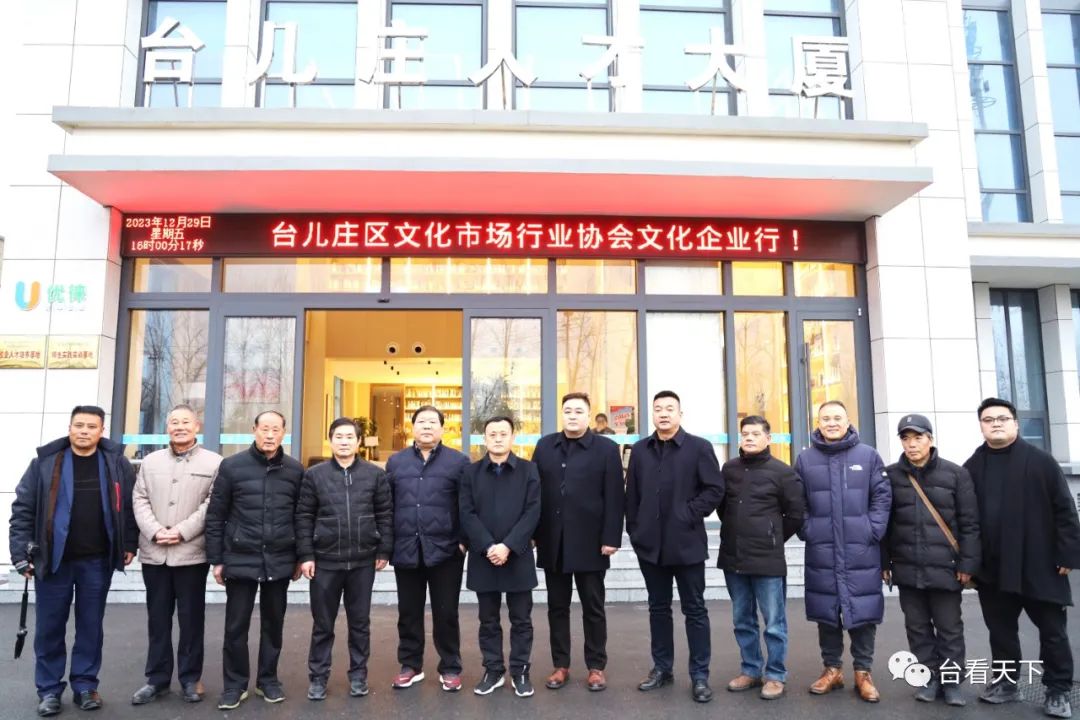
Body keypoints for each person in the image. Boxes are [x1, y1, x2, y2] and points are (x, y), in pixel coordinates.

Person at [9, 405, 138, 717]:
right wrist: (20, 554)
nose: (84, 431)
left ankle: (85, 685)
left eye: (91, 426)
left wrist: (129, 543)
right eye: (79, 425)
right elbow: (23, 509)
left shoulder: (115, 463)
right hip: (54, 561)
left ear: (101, 431)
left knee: (91, 627)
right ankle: (49, 690)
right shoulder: (45, 463)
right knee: (49, 628)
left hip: (97, 561)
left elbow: (129, 508)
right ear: (69, 428)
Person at [963, 398, 1080, 718]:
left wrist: (1067, 554)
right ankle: (1006, 683)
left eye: (1002, 418)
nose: (996, 424)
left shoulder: (1041, 462)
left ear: (1015, 423)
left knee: (1052, 632)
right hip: (994, 568)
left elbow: (1065, 510)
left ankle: (1058, 691)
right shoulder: (972, 466)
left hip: (1041, 564)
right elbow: (965, 520)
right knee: (1001, 631)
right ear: (981, 426)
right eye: (988, 420)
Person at [625, 390, 725, 703]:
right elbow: (632, 494)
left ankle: (700, 675)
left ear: (680, 414)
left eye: (670, 408)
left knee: (694, 610)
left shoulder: (699, 448)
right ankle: (662, 668)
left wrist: (687, 514)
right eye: (658, 409)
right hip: (650, 546)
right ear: (652, 414)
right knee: (658, 608)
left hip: (686, 543)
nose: (664, 413)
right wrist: (635, 530)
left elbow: (714, 489)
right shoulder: (640, 450)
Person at [205, 410, 304, 710]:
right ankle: (234, 685)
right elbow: (216, 515)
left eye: (276, 429)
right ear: (254, 430)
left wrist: (300, 556)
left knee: (274, 624)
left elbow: (301, 517)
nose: (270, 435)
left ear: (284, 433)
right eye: (264, 429)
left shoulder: (295, 470)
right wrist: (217, 559)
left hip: (280, 557)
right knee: (236, 626)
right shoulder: (232, 466)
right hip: (240, 556)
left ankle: (268, 680)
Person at [796, 400, 890, 703]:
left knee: (863, 611)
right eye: (826, 418)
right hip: (822, 548)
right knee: (827, 613)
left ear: (848, 421)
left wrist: (872, 529)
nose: (832, 423)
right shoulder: (805, 459)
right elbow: (798, 501)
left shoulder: (868, 456)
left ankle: (863, 673)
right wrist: (808, 529)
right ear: (818, 423)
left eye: (837, 417)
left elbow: (882, 496)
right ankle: (832, 670)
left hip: (860, 549)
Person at [882, 413, 979, 707]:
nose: (912, 444)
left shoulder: (956, 474)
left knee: (950, 629)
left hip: (946, 568)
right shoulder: (890, 475)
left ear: (930, 439)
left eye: (918, 438)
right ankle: (928, 677)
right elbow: (884, 524)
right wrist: (884, 563)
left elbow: (970, 523)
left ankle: (952, 682)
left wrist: (967, 564)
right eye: (906, 438)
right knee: (917, 628)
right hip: (907, 566)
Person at [296, 417, 393, 701]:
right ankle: (318, 677)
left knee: (360, 624)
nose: (344, 441)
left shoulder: (375, 475)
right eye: (338, 436)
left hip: (363, 561)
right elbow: (304, 516)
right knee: (322, 624)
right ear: (330, 440)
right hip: (325, 561)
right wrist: (306, 554)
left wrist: (383, 550)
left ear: (359, 441)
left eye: (350, 436)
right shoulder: (314, 475)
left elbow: (385, 514)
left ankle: (359, 675)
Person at [532, 392, 624, 692]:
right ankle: (561, 665)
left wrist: (611, 537)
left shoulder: (606, 449)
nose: (572, 416)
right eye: (568, 411)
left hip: (591, 541)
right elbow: (534, 492)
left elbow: (615, 496)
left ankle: (596, 666)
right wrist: (533, 532)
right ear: (562, 414)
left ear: (588, 415)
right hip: (553, 540)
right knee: (556, 607)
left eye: (578, 411)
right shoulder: (545, 446)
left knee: (593, 607)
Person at [131, 404, 222, 706]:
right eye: (174, 422)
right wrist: (154, 530)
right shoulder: (150, 461)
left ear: (197, 426)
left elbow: (212, 504)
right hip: (155, 552)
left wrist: (182, 531)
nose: (179, 427)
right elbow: (139, 499)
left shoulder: (214, 462)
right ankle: (156, 679)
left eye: (185, 422)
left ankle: (190, 678)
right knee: (157, 619)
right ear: (167, 427)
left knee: (191, 619)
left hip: (191, 553)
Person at [717, 415, 804, 701]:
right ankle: (751, 669)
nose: (750, 438)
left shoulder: (783, 472)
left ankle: (776, 675)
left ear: (769, 438)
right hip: (734, 556)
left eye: (756, 434)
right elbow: (722, 509)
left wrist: (772, 536)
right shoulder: (729, 469)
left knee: (774, 623)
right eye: (745, 434)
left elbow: (795, 514)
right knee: (742, 619)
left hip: (767, 559)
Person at [385, 405, 470, 692]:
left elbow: (467, 504)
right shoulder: (396, 462)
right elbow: (387, 506)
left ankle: (450, 667)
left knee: (446, 612)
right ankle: (410, 665)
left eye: (433, 422)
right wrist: (388, 544)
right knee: (408, 611)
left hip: (446, 549)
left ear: (443, 428)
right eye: (421, 421)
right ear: (412, 427)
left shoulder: (458, 462)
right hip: (406, 546)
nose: (427, 426)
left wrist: (463, 541)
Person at [459, 416, 541, 698]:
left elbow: (533, 511)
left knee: (521, 620)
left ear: (512, 438)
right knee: (488, 620)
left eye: (503, 433)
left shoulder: (529, 470)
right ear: (484, 439)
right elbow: (466, 512)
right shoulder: (470, 473)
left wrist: (508, 546)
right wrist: (487, 546)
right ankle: (493, 670)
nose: (497, 438)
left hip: (517, 554)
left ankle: (520, 671)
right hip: (484, 556)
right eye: (492, 434)